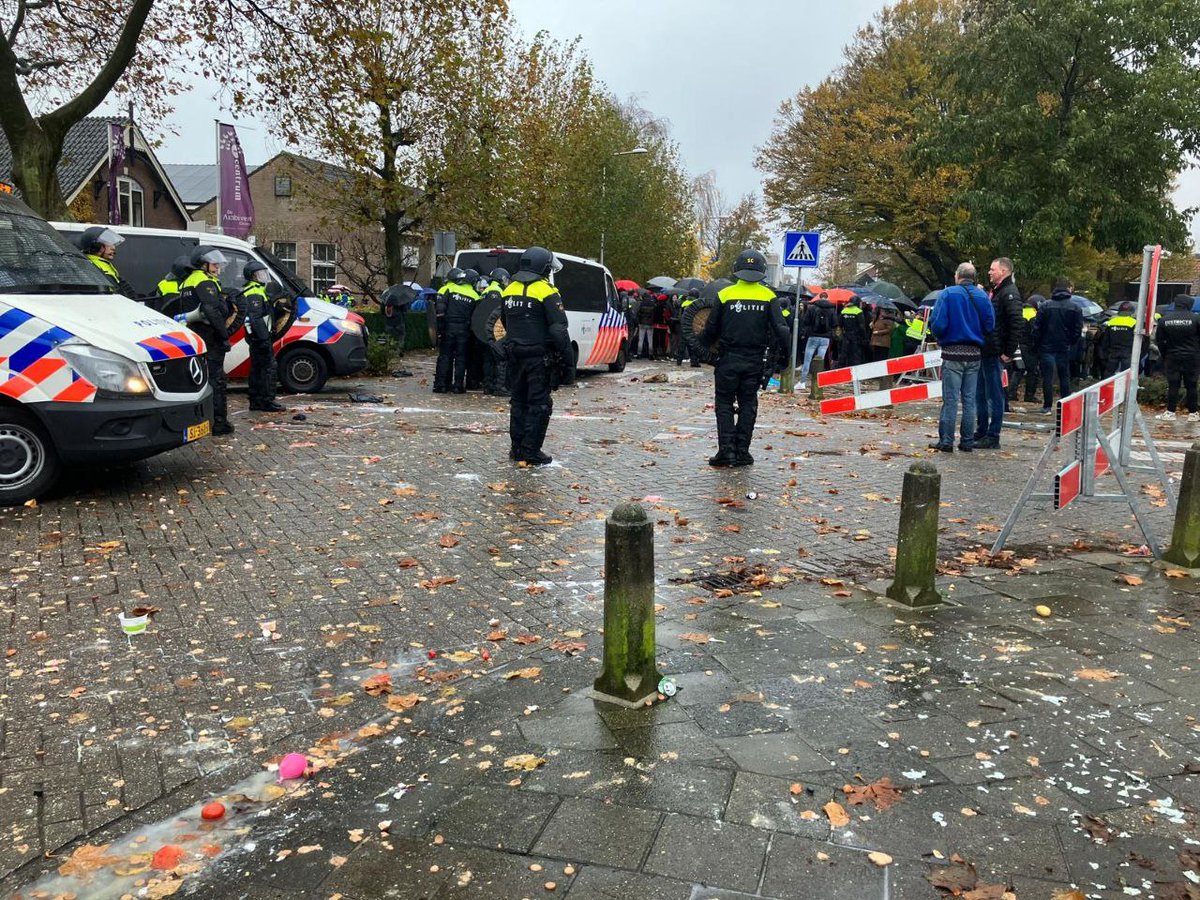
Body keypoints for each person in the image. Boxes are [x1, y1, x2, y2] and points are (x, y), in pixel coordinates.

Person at [700, 248, 789, 467]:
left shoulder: (725, 294)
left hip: (727, 359)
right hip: (754, 361)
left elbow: (710, 328)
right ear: (762, 271)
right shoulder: (769, 296)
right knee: (749, 403)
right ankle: (742, 452)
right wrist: (785, 359)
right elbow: (782, 329)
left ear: (736, 270)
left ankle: (726, 451)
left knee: (724, 404)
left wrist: (698, 347)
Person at [501, 247, 573, 465]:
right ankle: (531, 451)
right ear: (543, 267)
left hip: (515, 355)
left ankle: (517, 449)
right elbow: (558, 329)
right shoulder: (547, 291)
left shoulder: (509, 289)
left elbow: (504, 321)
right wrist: (568, 362)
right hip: (538, 357)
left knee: (519, 402)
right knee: (540, 404)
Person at [927, 262, 995, 452]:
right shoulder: (983, 296)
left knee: (950, 399)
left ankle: (947, 441)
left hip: (952, 352)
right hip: (974, 354)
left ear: (957, 276)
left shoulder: (948, 294)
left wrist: (941, 337)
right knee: (969, 399)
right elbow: (990, 325)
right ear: (974, 277)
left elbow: (938, 323)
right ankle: (967, 441)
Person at [180, 246, 235, 434]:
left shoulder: (188, 280)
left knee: (200, 379)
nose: (217, 265)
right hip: (210, 337)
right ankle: (219, 423)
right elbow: (212, 310)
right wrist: (223, 335)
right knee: (217, 380)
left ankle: (202, 420)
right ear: (203, 263)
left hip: (196, 336)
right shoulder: (204, 281)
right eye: (213, 262)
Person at [975, 257, 1025, 448]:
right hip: (986, 349)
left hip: (995, 352)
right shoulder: (996, 292)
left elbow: (1016, 323)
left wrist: (1008, 351)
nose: (989, 272)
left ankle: (993, 435)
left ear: (1003, 271)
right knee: (981, 392)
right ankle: (981, 431)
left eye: (992, 269)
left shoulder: (1009, 293)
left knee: (995, 394)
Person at [240, 262, 286, 413]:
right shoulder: (254, 291)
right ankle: (266, 401)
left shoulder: (258, 290)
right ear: (252, 276)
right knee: (267, 368)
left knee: (257, 369)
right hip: (260, 338)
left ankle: (256, 400)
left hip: (256, 337)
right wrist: (264, 338)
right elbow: (256, 318)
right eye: (260, 274)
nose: (264, 276)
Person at [1032, 278, 1083, 414]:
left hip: (1046, 346)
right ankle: (1065, 405)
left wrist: (1037, 345)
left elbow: (1037, 328)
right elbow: (1077, 329)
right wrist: (1070, 342)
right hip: (1064, 347)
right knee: (1064, 376)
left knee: (1047, 377)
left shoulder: (1045, 306)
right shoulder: (1075, 307)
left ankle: (1047, 406)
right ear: (1068, 289)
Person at [1154, 294, 1200, 422]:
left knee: (1173, 385)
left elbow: (1159, 340)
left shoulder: (1164, 320)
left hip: (1172, 356)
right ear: (1188, 305)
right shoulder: (1196, 319)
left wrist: (1165, 354)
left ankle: (1170, 412)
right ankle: (1193, 413)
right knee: (1191, 385)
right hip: (1192, 357)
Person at [433, 268, 479, 394]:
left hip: (448, 328)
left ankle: (441, 385)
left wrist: (440, 329)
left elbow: (440, 310)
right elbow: (476, 318)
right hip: (464, 331)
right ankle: (458, 385)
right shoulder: (475, 295)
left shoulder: (450, 289)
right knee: (461, 358)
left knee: (445, 356)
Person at [77, 226, 136, 298]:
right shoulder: (91, 265)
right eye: (108, 244)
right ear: (97, 246)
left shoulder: (102, 263)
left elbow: (122, 287)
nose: (113, 248)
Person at [481, 268, 511, 396]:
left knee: (488, 360)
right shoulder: (497, 292)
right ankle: (498, 387)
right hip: (495, 332)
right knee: (499, 361)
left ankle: (488, 386)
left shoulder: (486, 291)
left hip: (484, 331)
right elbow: (497, 315)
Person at [1009, 295, 1042, 404]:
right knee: (1033, 371)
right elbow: (1035, 332)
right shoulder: (1032, 314)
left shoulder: (1020, 311)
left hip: (1017, 345)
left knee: (1018, 370)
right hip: (1028, 346)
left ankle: (1011, 393)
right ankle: (1029, 395)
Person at [800, 291, 837, 386]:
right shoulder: (832, 309)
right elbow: (834, 324)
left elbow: (806, 321)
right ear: (827, 298)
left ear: (819, 297)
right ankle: (817, 382)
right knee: (820, 360)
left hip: (813, 336)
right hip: (825, 338)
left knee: (807, 359)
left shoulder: (811, 307)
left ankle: (803, 382)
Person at [380, 283, 414, 377]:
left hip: (389, 323)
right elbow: (405, 310)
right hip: (399, 322)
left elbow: (382, 312)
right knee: (401, 336)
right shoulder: (400, 301)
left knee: (389, 337)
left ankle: (388, 351)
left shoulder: (385, 301)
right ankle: (399, 350)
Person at [1098, 301, 1138, 378]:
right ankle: (1126, 389)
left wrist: (1104, 353)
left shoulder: (1111, 322)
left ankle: (1107, 387)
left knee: (1109, 372)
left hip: (1113, 351)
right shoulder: (1134, 322)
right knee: (1126, 374)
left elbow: (1106, 340)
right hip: (1128, 351)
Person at [838, 297, 870, 367]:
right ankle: (855, 372)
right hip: (856, 336)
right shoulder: (858, 311)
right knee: (855, 355)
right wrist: (864, 337)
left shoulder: (844, 311)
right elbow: (862, 326)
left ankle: (841, 370)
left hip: (846, 335)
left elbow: (840, 324)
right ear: (857, 303)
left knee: (844, 354)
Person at [675, 288, 701, 366]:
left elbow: (680, 316)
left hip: (683, 326)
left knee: (682, 344)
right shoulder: (697, 303)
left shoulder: (684, 303)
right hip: (692, 326)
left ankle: (679, 361)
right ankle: (694, 362)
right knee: (693, 344)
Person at [636, 291, 656, 358]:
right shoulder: (653, 304)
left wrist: (639, 321)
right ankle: (650, 354)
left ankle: (639, 354)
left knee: (640, 339)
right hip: (650, 323)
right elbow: (655, 314)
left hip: (642, 323)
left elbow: (638, 313)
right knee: (650, 340)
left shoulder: (641, 304)